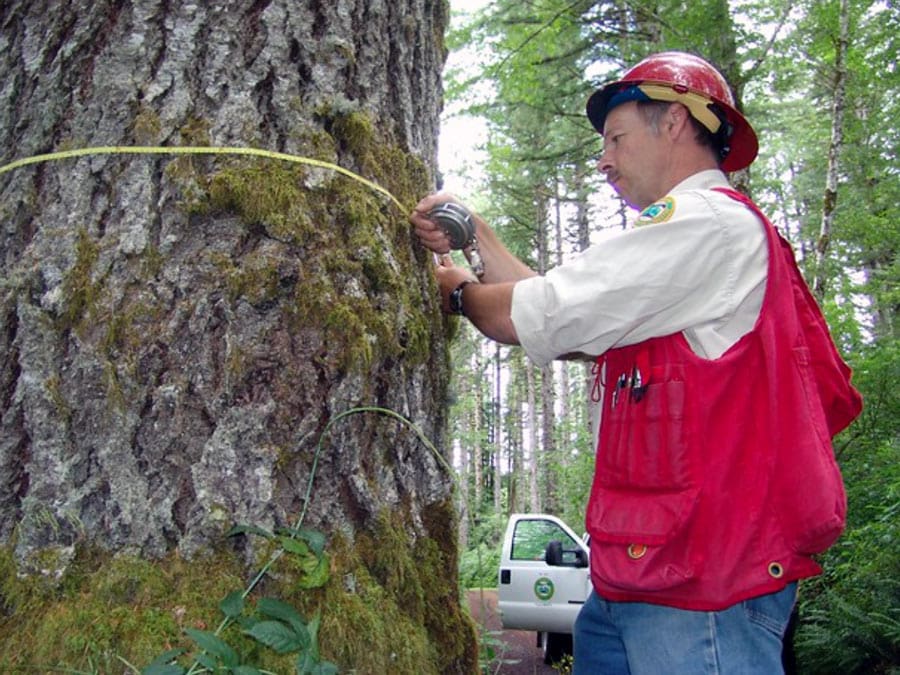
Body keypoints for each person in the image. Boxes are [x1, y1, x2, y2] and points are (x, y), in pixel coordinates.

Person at [409, 51, 861, 674]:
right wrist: (477, 237)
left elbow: (537, 315)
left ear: (674, 122)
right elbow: (568, 320)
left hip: (704, 593)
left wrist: (459, 293)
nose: (604, 160)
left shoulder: (707, 225)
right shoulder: (692, 240)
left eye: (616, 139)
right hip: (648, 580)